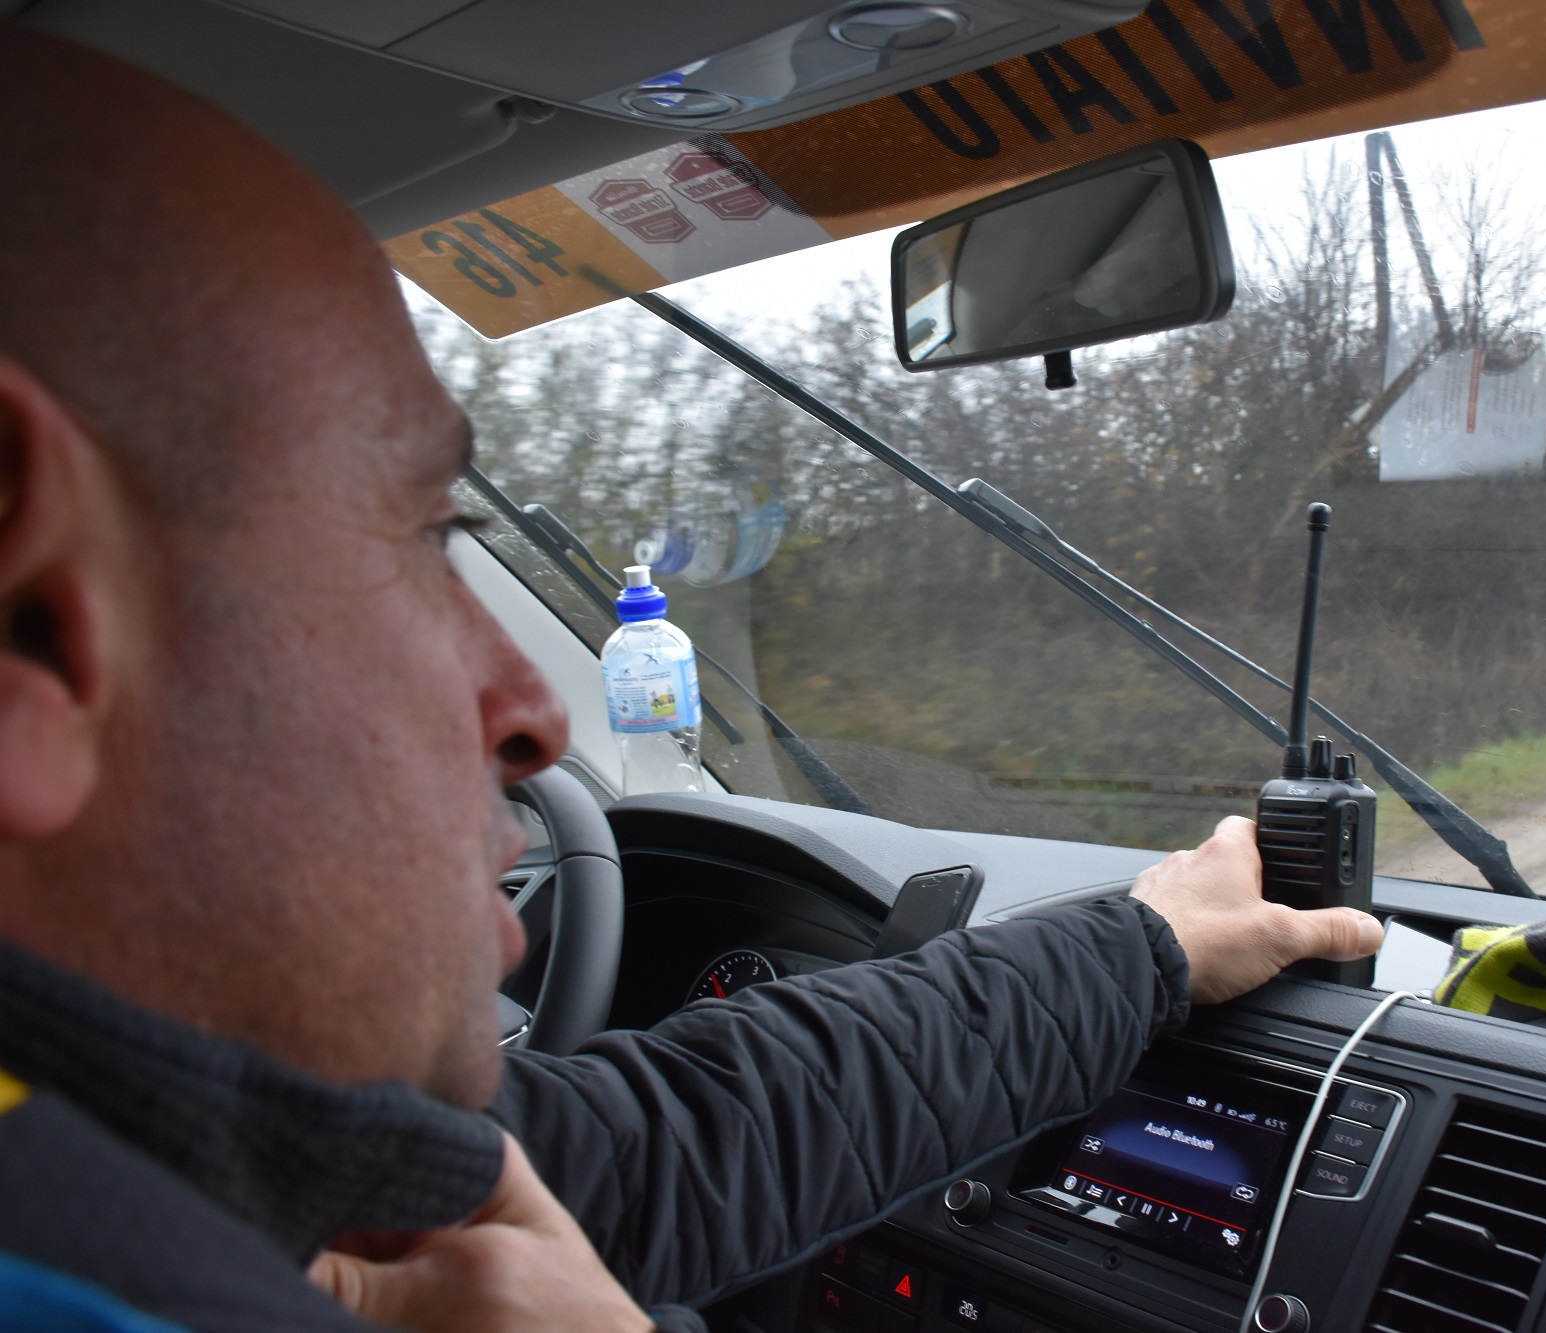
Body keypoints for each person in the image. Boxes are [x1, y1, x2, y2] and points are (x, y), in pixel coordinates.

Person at [0, 22, 1384, 1333]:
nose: (538, 714)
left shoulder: (141, 1157)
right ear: (32, 631)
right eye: (427, 536)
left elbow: (659, 1142)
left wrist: (1143, 942)